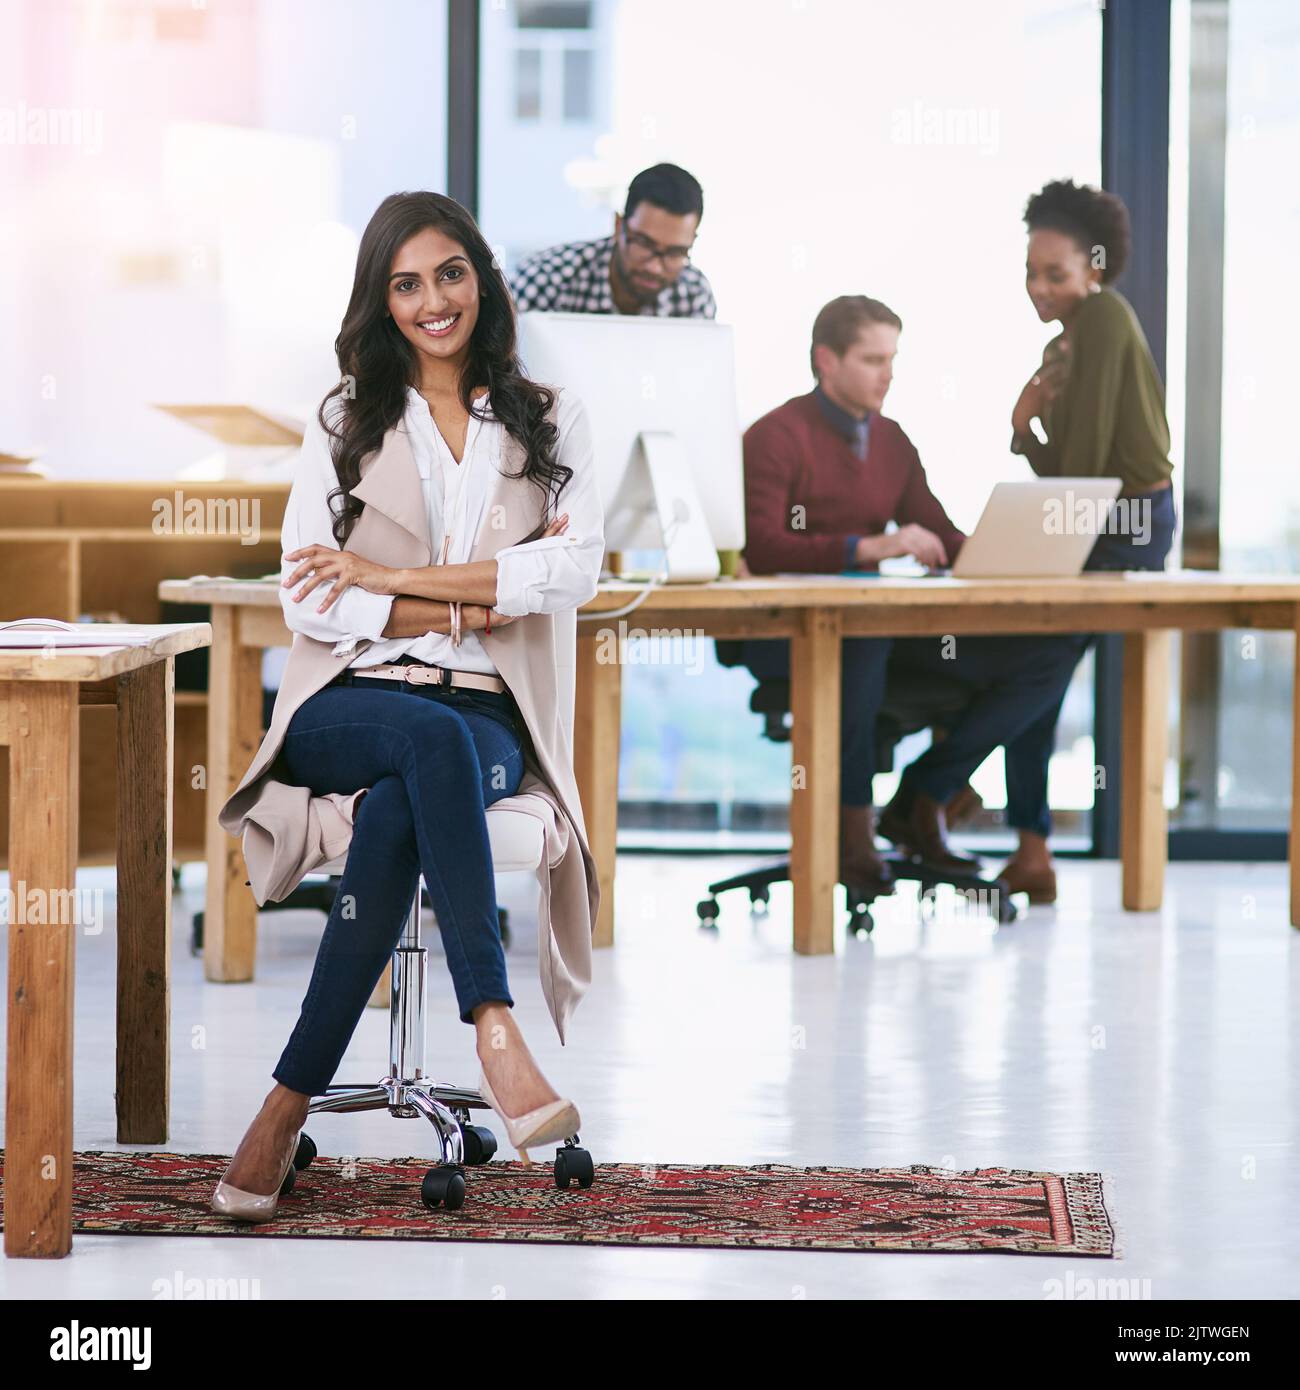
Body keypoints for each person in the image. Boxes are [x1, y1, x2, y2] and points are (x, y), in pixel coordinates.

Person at [211, 190, 605, 1220]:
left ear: (480, 276)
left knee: (402, 798)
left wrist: (401, 585)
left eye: (450, 273)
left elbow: (572, 572)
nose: (434, 300)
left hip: (485, 715)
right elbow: (308, 591)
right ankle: (495, 1026)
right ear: (382, 302)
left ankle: (284, 1100)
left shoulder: (552, 416)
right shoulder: (344, 419)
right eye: (407, 283)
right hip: (351, 704)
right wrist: (477, 587)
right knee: (417, 737)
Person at [734, 295, 1083, 897]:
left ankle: (926, 792)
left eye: (892, 358)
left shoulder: (892, 441)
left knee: (1051, 645)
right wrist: (868, 548)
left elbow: (940, 536)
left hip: (874, 631)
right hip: (783, 633)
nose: (887, 374)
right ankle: (852, 834)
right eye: (872, 359)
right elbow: (763, 547)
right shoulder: (776, 436)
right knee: (865, 640)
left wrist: (1006, 548)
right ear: (826, 360)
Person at [1000, 179, 1178, 904]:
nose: (1040, 289)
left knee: (1031, 666)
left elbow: (1080, 474)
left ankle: (949, 797)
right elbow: (1068, 473)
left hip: (1128, 525)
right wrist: (1026, 427)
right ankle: (1025, 844)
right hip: (1093, 517)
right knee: (1030, 667)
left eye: (1057, 274)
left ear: (1094, 270)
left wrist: (1029, 427)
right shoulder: (1065, 341)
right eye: (1032, 274)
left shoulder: (1102, 319)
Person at [510, 162, 717, 318]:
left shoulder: (693, 294)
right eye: (644, 243)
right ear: (619, 226)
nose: (654, 267)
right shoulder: (546, 280)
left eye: (674, 252)